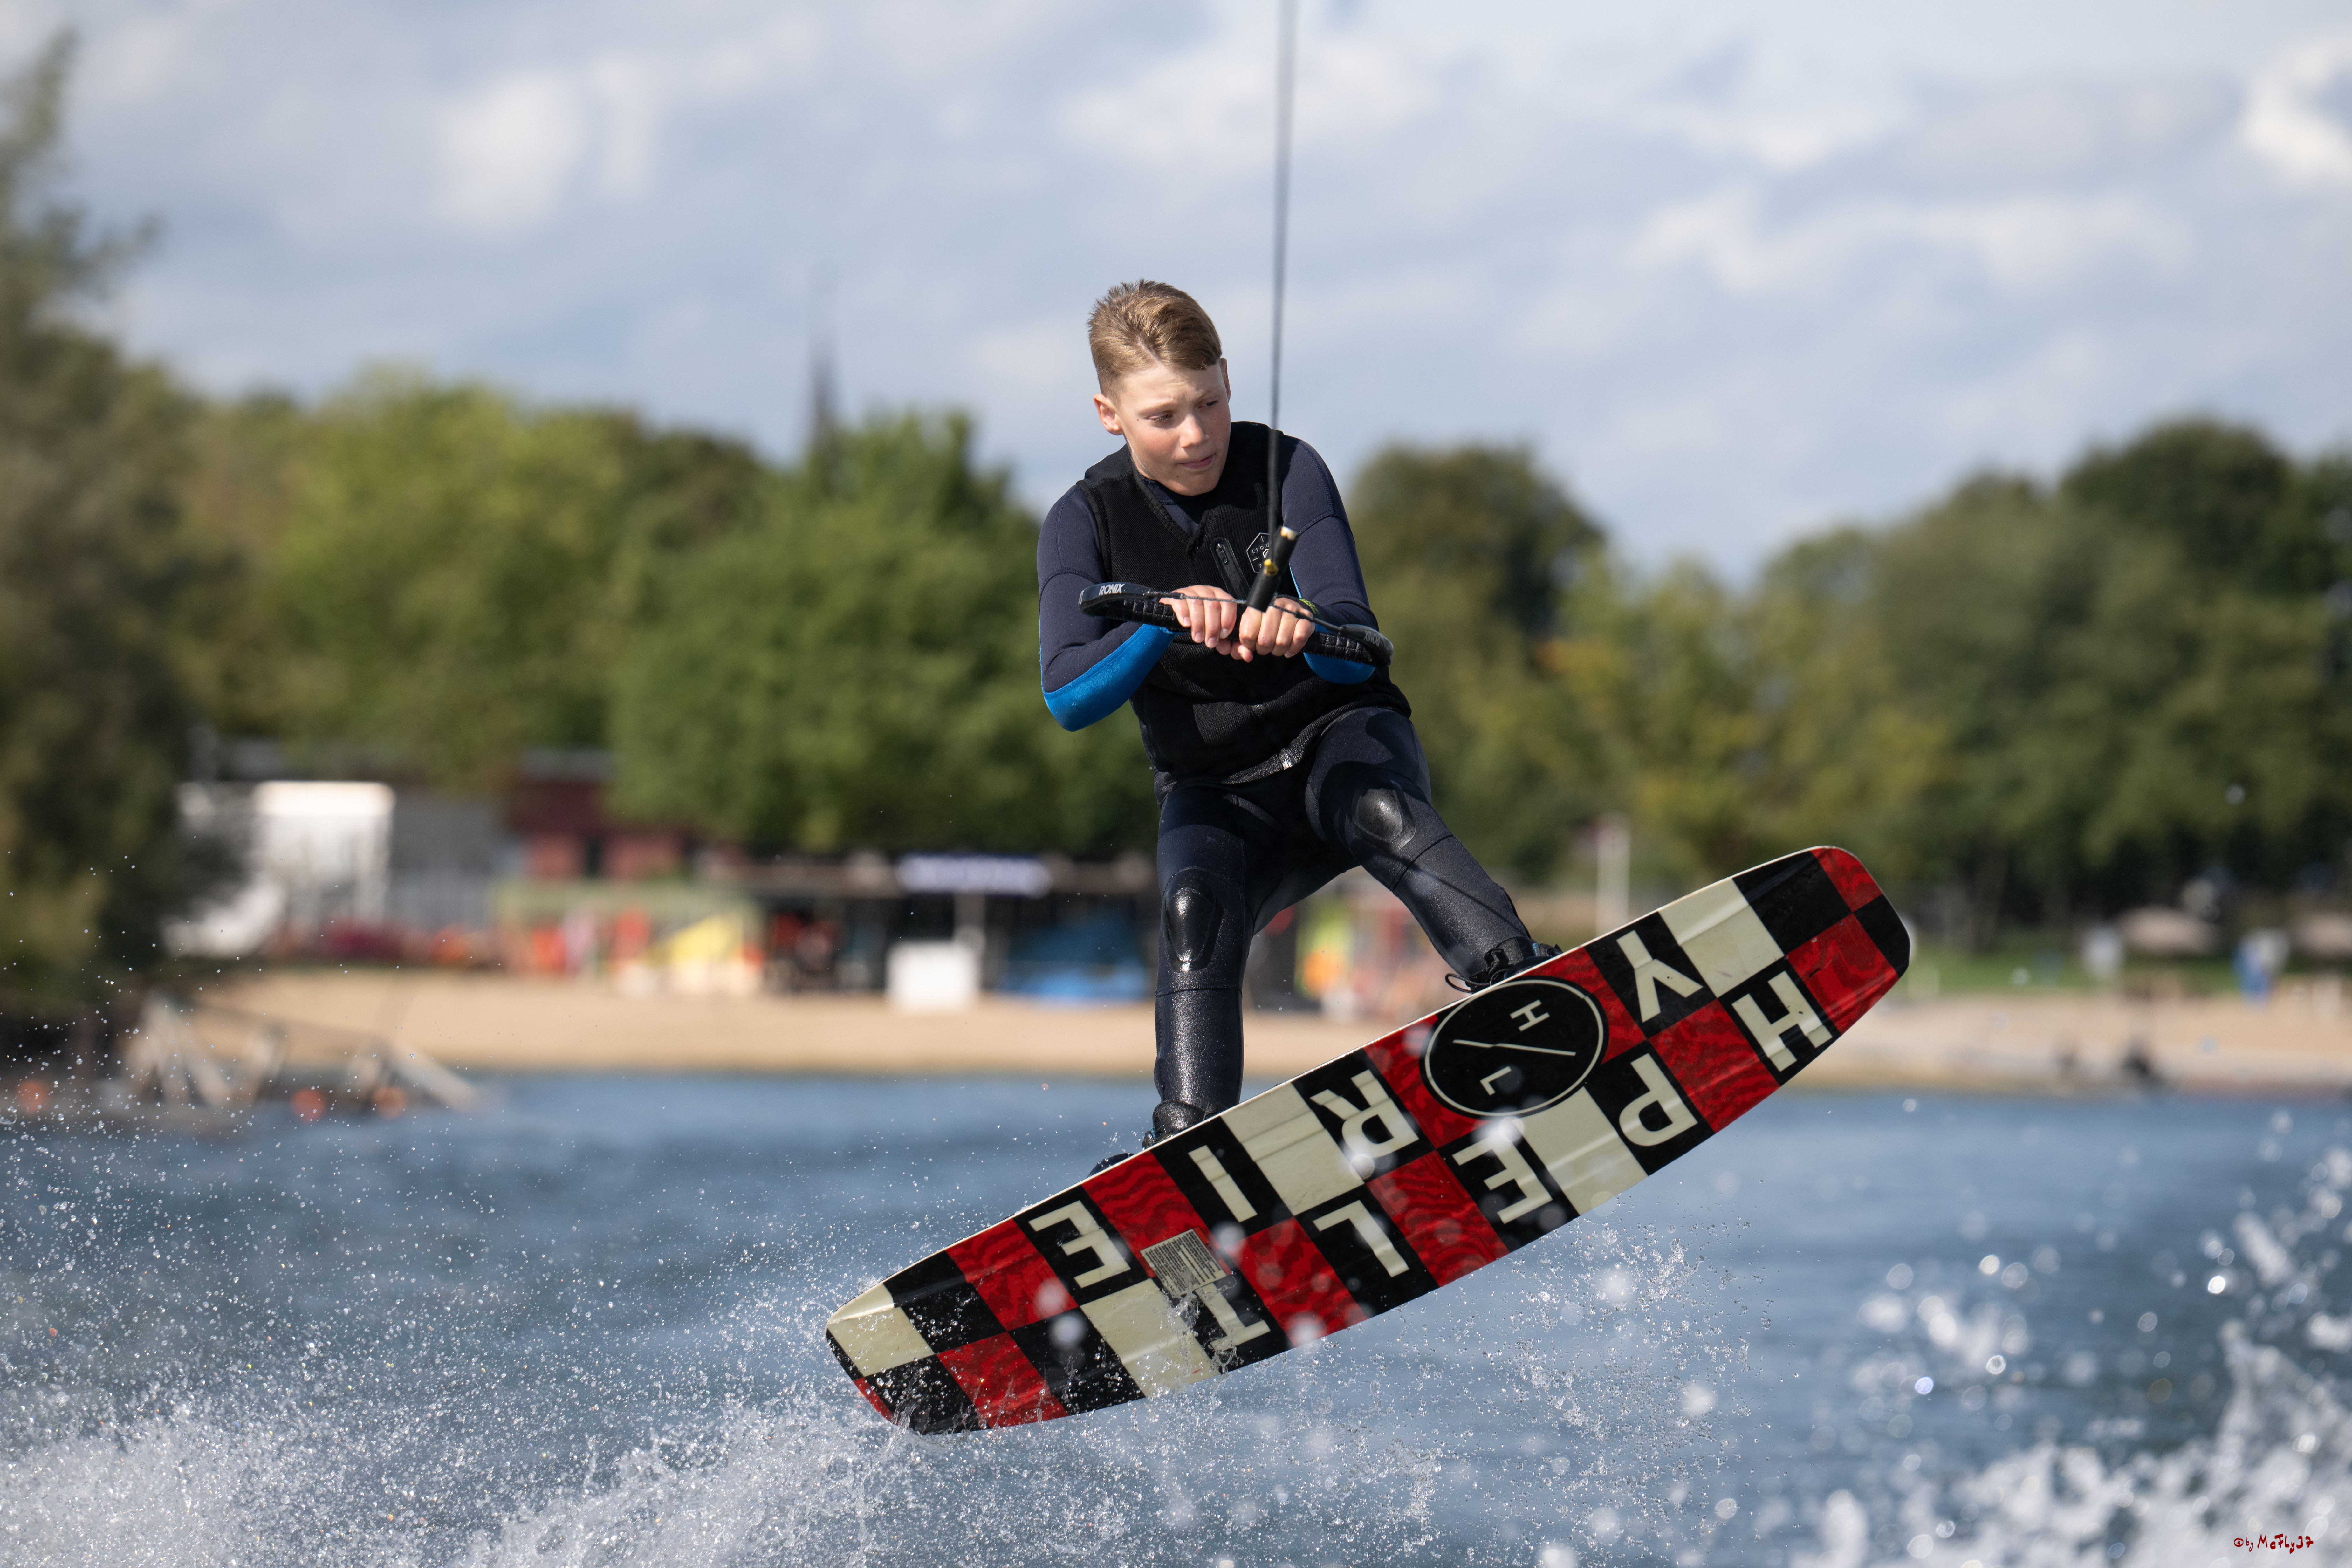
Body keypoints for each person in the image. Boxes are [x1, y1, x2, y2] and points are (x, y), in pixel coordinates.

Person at [1038, 280, 1556, 1150]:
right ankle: (1192, 1149)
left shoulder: (1288, 469)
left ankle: (1525, 992)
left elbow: (1362, 635)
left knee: (1382, 812)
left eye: (1210, 402)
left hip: (1338, 744)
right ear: (1109, 414)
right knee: (1193, 914)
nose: (1197, 434)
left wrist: (1305, 629)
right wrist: (1159, 623)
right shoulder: (1081, 522)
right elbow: (1067, 696)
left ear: (1231, 379)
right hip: (1218, 792)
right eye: (1164, 416)